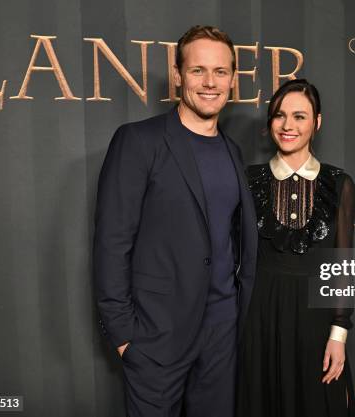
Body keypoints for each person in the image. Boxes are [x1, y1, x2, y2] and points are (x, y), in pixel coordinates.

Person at [93, 25, 257, 417]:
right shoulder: (138, 141)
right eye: (198, 70)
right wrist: (124, 336)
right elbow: (112, 242)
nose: (210, 82)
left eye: (220, 72)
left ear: (233, 79)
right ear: (179, 75)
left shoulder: (233, 151)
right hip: (156, 334)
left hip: (222, 331)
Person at [237, 79, 355, 417]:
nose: (288, 126)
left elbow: (342, 263)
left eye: (300, 116)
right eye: (279, 115)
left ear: (317, 122)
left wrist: (339, 333)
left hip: (315, 321)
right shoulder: (248, 179)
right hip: (258, 319)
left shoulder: (339, 183)